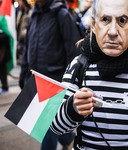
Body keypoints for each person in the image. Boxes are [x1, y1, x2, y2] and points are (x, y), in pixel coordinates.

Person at [50, 0, 128, 149]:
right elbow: (56, 127)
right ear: (94, 24)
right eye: (105, 20)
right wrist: (72, 108)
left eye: (122, 20)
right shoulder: (78, 65)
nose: (112, 32)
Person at [19, 0, 81, 149]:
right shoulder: (34, 15)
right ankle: (67, 138)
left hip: (55, 81)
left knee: (46, 127)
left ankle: (65, 137)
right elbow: (28, 46)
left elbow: (73, 51)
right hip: (36, 80)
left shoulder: (61, 14)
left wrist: (70, 83)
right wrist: (23, 74)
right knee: (45, 124)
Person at [16, 0, 32, 65]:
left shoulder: (30, 12)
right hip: (19, 36)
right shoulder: (20, 12)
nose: (19, 3)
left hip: (25, 37)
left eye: (20, 1)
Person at [0, 30, 11, 95]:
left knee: (2, 73)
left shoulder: (4, 34)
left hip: (2, 58)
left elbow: (6, 37)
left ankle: (5, 87)